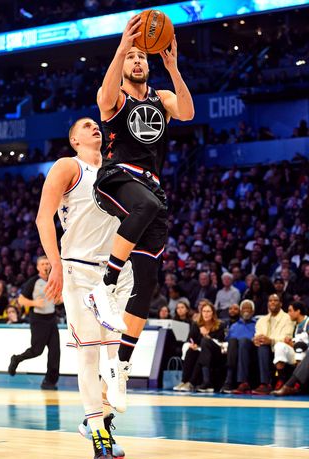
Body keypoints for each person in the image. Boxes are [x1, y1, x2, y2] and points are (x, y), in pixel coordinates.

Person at [86, 14, 194, 403]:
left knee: (147, 284)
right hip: (116, 179)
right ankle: (105, 285)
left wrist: (173, 67)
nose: (136, 61)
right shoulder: (115, 97)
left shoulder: (160, 99)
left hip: (152, 190)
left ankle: (121, 368)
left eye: (140, 57)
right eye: (130, 57)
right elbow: (102, 96)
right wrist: (120, 45)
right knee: (144, 204)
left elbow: (187, 112)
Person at [35, 118, 133, 459]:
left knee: (115, 360)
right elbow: (43, 218)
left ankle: (99, 420)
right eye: (86, 125)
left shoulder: (115, 170)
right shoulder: (67, 166)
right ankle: (99, 437)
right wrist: (55, 264)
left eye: (97, 125)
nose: (95, 128)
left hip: (117, 271)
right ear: (73, 138)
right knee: (90, 356)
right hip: (79, 268)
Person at [8, 256, 61, 391]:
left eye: (48, 263)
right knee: (37, 350)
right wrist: (34, 303)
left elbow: (57, 301)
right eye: (43, 264)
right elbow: (20, 300)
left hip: (51, 319)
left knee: (55, 352)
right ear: (38, 267)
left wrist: (62, 299)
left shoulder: (54, 281)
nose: (46, 266)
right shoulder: (33, 281)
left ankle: (49, 382)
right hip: (38, 320)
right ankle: (16, 359)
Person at [251, 294, 295, 394]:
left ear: (281, 303)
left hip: (282, 349)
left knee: (267, 346)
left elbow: (287, 337)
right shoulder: (261, 320)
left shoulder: (288, 318)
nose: (272, 302)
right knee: (260, 346)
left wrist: (271, 341)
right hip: (264, 349)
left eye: (275, 300)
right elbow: (258, 334)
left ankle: (267, 383)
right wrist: (256, 339)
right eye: (270, 300)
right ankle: (264, 384)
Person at [221, 300, 257, 394]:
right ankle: (229, 381)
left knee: (243, 340)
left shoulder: (257, 324)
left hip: (252, 351)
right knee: (232, 341)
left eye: (248, 308)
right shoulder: (234, 326)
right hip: (234, 352)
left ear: (253, 311)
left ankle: (242, 382)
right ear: (241, 311)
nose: (246, 310)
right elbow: (227, 341)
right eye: (244, 308)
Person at [271, 301, 309, 390]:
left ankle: (297, 382)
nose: (288, 314)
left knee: (300, 348)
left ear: (298, 311)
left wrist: (295, 344)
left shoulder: (308, 322)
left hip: (306, 355)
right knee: (279, 346)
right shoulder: (295, 325)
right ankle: (281, 379)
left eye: (290, 311)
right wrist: (290, 342)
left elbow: (303, 343)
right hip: (297, 352)